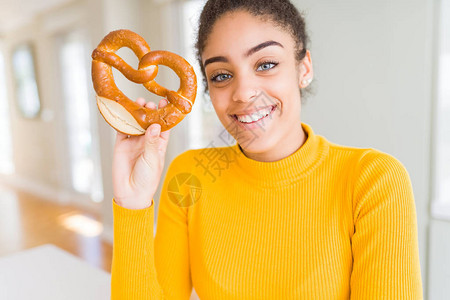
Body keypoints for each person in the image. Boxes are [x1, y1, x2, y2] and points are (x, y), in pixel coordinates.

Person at [110, 0, 423, 299]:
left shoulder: (373, 180)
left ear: (304, 69)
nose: (244, 92)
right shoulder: (190, 176)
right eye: (221, 75)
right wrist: (132, 203)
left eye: (266, 64)